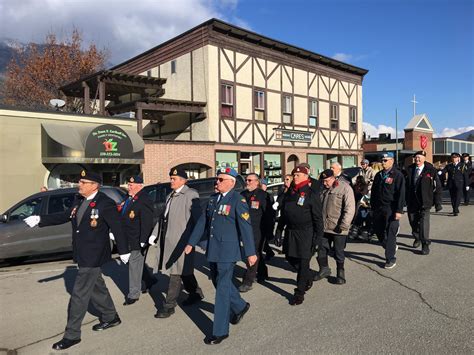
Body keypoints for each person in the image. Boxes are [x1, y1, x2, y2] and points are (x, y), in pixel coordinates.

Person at [23, 170, 130, 350]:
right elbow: (65, 215)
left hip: (94, 254)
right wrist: (40, 218)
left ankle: (72, 335)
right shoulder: (79, 200)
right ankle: (111, 317)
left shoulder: (106, 203)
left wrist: (125, 251)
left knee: (79, 295)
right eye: (79, 181)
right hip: (82, 252)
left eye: (83, 182)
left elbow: (118, 227)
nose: (79, 185)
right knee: (97, 287)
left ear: (94, 185)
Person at [184, 168, 257, 345]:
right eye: (217, 179)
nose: (216, 182)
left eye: (220, 179)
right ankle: (240, 306)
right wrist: (191, 242)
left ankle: (220, 331)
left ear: (231, 182)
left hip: (228, 251)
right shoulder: (213, 199)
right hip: (213, 249)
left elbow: (246, 227)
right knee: (217, 281)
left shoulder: (237, 200)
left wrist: (250, 252)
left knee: (222, 290)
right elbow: (203, 222)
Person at [149, 168, 204, 318]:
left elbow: (198, 220)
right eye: (171, 178)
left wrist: (193, 241)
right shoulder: (170, 196)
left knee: (175, 273)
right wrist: (154, 234)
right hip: (169, 241)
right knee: (184, 271)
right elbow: (163, 219)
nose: (171, 181)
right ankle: (196, 293)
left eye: (174, 178)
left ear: (183, 180)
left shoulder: (191, 195)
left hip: (183, 242)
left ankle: (169, 305)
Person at [275, 165, 324, 305]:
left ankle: (299, 292)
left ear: (305, 177)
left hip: (306, 233)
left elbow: (318, 219)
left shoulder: (311, 194)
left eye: (297, 175)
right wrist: (279, 230)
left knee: (303, 263)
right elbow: (284, 214)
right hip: (291, 231)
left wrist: (318, 238)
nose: (294, 177)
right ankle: (307, 277)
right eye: (293, 175)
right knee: (290, 258)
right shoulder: (290, 193)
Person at [314, 169, 355, 284]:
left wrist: (344, 225)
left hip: (338, 227)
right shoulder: (322, 189)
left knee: (338, 252)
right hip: (324, 227)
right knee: (321, 249)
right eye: (323, 181)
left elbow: (350, 208)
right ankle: (324, 269)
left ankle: (340, 274)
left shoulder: (345, 188)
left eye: (327, 181)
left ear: (333, 178)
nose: (325, 183)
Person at [119, 176, 155, 306]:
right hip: (128, 237)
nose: (129, 187)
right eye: (128, 184)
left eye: (131, 185)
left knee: (134, 264)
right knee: (135, 263)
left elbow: (147, 221)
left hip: (138, 238)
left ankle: (133, 294)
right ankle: (149, 280)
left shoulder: (143, 199)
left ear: (140, 186)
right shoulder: (129, 198)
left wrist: (144, 239)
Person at [371, 153, 405, 269]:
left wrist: (399, 211)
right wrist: (372, 207)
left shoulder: (397, 175)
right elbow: (374, 193)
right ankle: (390, 245)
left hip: (392, 208)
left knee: (390, 233)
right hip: (379, 208)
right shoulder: (379, 175)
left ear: (392, 161)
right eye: (382, 160)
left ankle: (390, 258)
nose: (383, 162)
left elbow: (401, 194)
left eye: (385, 160)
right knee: (378, 231)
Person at [239, 173, 273, 291]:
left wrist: (269, 232)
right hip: (244, 229)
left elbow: (269, 215)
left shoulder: (263, 195)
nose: (247, 182)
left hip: (258, 229)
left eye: (250, 180)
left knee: (252, 253)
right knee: (256, 252)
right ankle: (263, 272)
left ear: (257, 182)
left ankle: (248, 280)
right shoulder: (242, 195)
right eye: (246, 180)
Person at [405, 151, 441, 255]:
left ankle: (425, 244)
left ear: (424, 158)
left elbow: (437, 187)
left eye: (419, 157)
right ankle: (417, 237)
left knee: (424, 224)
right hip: (412, 201)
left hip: (425, 201)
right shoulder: (409, 169)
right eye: (416, 158)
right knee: (413, 222)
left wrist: (438, 203)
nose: (417, 159)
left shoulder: (431, 170)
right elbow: (404, 186)